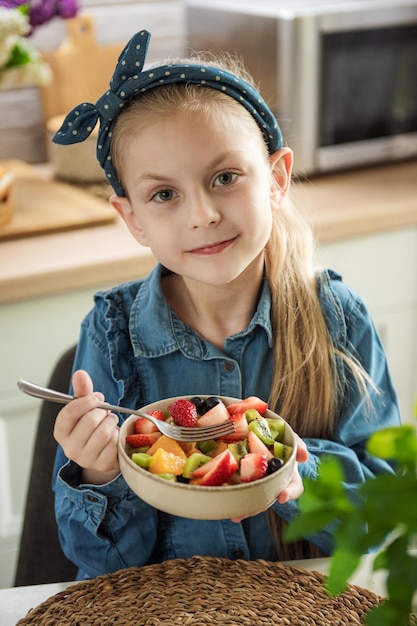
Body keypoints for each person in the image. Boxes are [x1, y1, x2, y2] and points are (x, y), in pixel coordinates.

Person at [51, 29, 401, 581]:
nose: (203, 214)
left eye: (225, 177)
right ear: (133, 218)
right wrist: (99, 473)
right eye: (164, 194)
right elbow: (98, 564)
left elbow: (386, 513)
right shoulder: (111, 333)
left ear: (277, 179)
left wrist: (298, 479)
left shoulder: (337, 317)